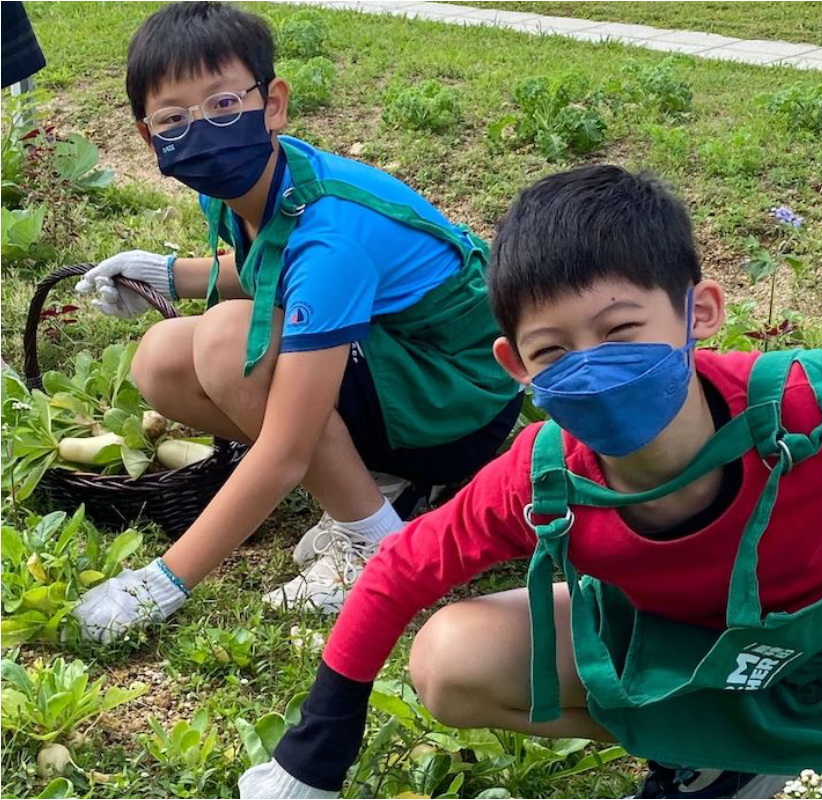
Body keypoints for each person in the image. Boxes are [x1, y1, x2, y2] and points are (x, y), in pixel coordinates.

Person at [238, 165, 822, 799]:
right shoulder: (545, 478)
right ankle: (706, 754)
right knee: (450, 661)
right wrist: (316, 745)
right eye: (553, 350)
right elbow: (402, 566)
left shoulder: (812, 408)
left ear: (699, 312)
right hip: (701, 657)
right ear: (515, 365)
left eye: (620, 330)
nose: (594, 368)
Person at [71, 1, 521, 639]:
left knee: (232, 342)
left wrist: (160, 583)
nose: (201, 129)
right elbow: (268, 263)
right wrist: (164, 273)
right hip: (395, 363)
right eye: (174, 118)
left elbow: (283, 450)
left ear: (272, 103)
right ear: (150, 138)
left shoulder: (332, 232)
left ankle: (374, 541)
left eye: (223, 105)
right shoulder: (248, 182)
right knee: (162, 357)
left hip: (458, 402)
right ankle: (377, 481)